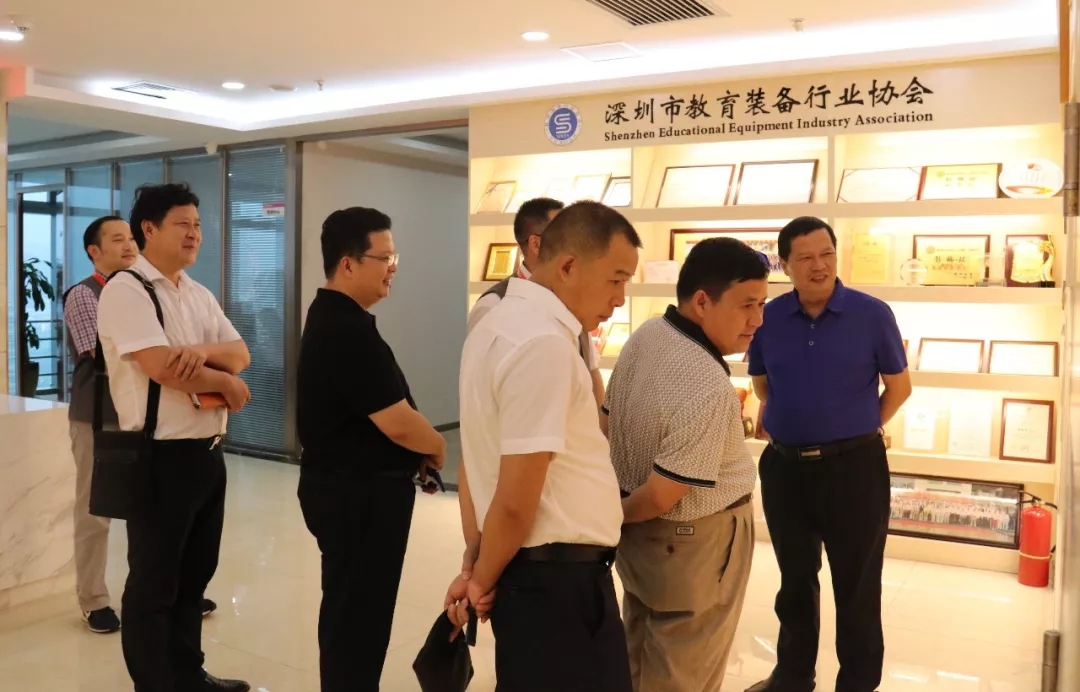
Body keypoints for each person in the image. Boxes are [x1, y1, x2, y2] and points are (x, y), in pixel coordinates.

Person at [446, 201, 640, 692]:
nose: (620, 299)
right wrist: (480, 579)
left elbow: (476, 457)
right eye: (615, 279)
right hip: (558, 585)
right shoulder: (543, 344)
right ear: (568, 266)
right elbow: (515, 500)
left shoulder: (497, 323)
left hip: (535, 576)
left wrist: (478, 561)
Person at [97, 183, 253, 692]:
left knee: (194, 577)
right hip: (158, 456)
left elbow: (240, 352)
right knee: (154, 583)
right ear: (149, 229)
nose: (194, 234)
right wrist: (228, 385)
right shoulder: (127, 289)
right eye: (183, 224)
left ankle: (189, 675)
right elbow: (162, 366)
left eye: (198, 225)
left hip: (207, 454)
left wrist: (198, 354)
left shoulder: (195, 292)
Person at [745, 217, 912, 692]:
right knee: (795, 581)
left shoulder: (871, 314)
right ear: (784, 265)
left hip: (855, 470)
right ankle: (793, 676)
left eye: (827, 254)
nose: (818, 266)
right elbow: (762, 385)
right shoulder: (769, 317)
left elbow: (899, 388)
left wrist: (861, 427)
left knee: (857, 584)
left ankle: (857, 683)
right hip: (786, 468)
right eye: (805, 258)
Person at [603, 238, 766, 692]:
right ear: (702, 302)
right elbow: (661, 495)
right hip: (695, 542)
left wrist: (614, 517)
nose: (757, 320)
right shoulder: (706, 383)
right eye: (747, 305)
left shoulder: (645, 335)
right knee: (685, 671)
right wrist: (610, 518)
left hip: (640, 540)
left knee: (638, 653)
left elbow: (605, 422)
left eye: (762, 305)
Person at [297, 207, 446, 692]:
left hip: (355, 492)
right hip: (356, 497)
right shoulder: (342, 328)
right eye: (384, 257)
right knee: (357, 619)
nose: (392, 267)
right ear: (348, 263)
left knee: (357, 613)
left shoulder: (344, 319)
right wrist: (437, 444)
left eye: (394, 257)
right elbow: (397, 421)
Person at [455, 197, 604, 591]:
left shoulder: (569, 307)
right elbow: (481, 431)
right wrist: (479, 560)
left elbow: (591, 375)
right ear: (537, 244)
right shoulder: (498, 309)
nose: (618, 296)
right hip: (537, 540)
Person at [62, 215, 138, 634]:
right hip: (98, 420)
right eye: (118, 239)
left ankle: (156, 591)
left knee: (151, 509)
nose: (129, 245)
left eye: (132, 238)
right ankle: (93, 600)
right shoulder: (84, 294)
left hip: (142, 418)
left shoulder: (142, 290)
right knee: (95, 513)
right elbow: (106, 353)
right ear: (94, 251)